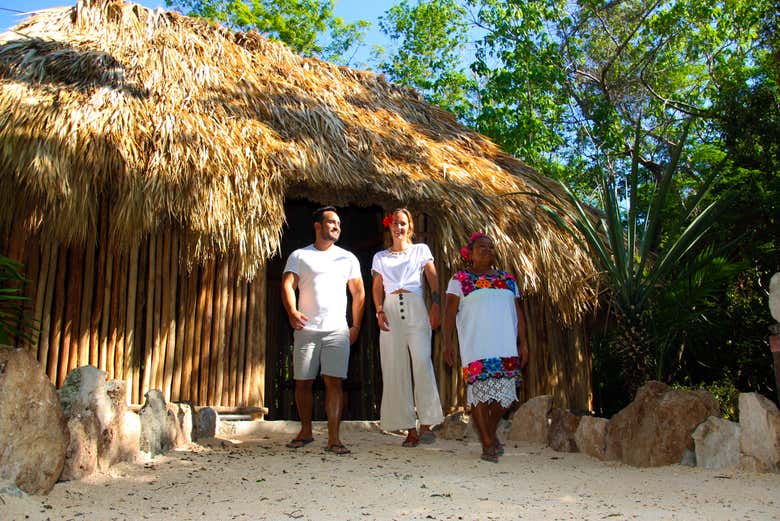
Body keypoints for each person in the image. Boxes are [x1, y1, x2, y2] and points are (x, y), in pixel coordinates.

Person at [281, 206, 365, 455]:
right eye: (331, 222)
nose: (337, 226)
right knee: (303, 382)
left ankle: (334, 438)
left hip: (336, 330)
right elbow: (287, 284)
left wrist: (356, 325)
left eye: (339, 223)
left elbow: (358, 292)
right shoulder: (299, 256)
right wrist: (292, 312)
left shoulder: (348, 258)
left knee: (334, 382)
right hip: (307, 328)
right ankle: (305, 431)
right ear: (318, 226)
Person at [442, 232, 529, 463]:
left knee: (507, 397)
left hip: (505, 344)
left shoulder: (508, 279)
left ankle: (488, 434)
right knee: (480, 394)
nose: (487, 249)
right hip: (476, 344)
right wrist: (447, 342)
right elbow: (449, 313)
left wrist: (524, 342)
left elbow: (518, 313)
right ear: (469, 253)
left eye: (491, 247)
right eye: (481, 246)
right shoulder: (459, 279)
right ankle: (489, 444)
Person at [371, 208, 444, 447]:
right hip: (391, 308)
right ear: (389, 227)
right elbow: (377, 286)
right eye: (394, 223)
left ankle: (427, 421)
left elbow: (432, 277)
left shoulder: (421, 250)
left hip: (416, 307)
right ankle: (408, 428)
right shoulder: (380, 257)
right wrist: (379, 310)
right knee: (395, 367)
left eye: (402, 223)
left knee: (422, 362)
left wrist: (435, 305)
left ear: (409, 227)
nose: (398, 227)